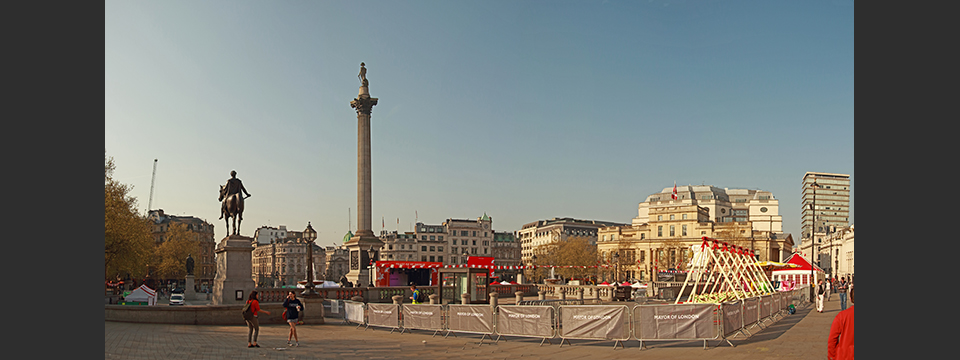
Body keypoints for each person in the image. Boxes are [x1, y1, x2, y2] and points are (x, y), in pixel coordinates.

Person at [828, 285, 854, 360]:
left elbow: (832, 339)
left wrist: (832, 355)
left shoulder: (842, 316)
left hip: (845, 355)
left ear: (850, 299)